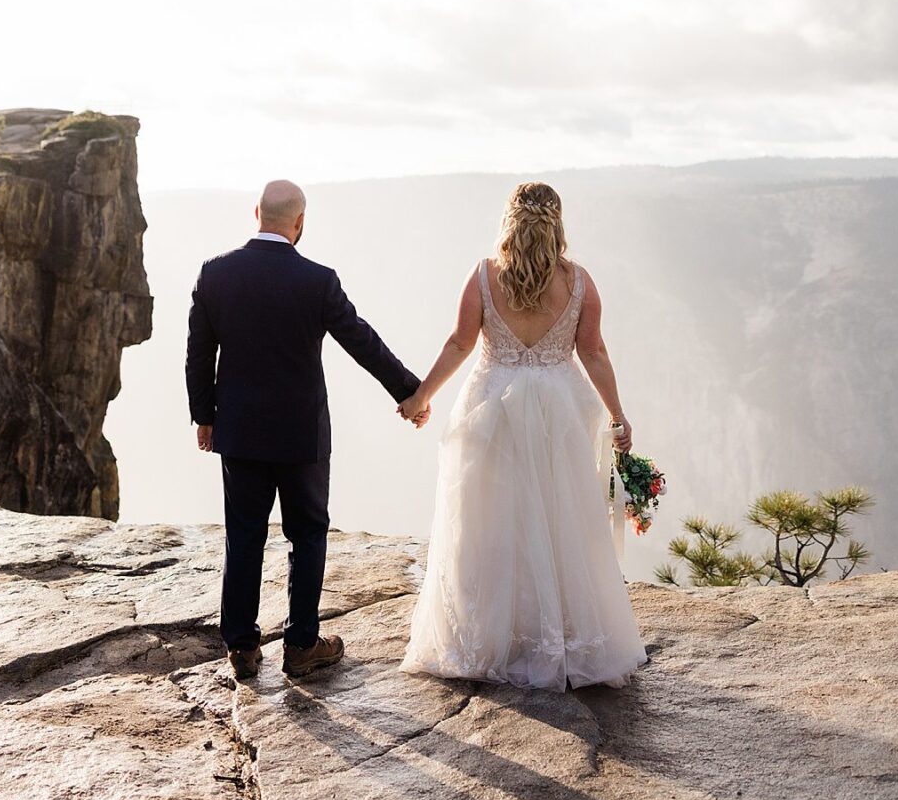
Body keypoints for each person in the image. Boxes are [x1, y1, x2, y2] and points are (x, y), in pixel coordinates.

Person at [397, 181, 650, 690]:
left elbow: (459, 342)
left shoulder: (486, 276)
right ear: (558, 223)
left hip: (492, 407)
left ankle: (493, 636)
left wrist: (421, 396)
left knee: (492, 518)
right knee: (560, 519)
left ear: (509, 221)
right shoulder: (577, 282)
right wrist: (618, 415)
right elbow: (594, 353)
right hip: (558, 408)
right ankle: (558, 637)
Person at [186, 179, 425, 681]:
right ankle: (300, 646)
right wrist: (408, 391)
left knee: (244, 535)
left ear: (256, 214)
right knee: (308, 534)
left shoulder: (216, 274)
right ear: (299, 224)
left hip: (241, 434)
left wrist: (205, 417)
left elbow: (199, 354)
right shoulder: (318, 280)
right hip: (302, 437)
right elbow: (361, 341)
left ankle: (242, 649)